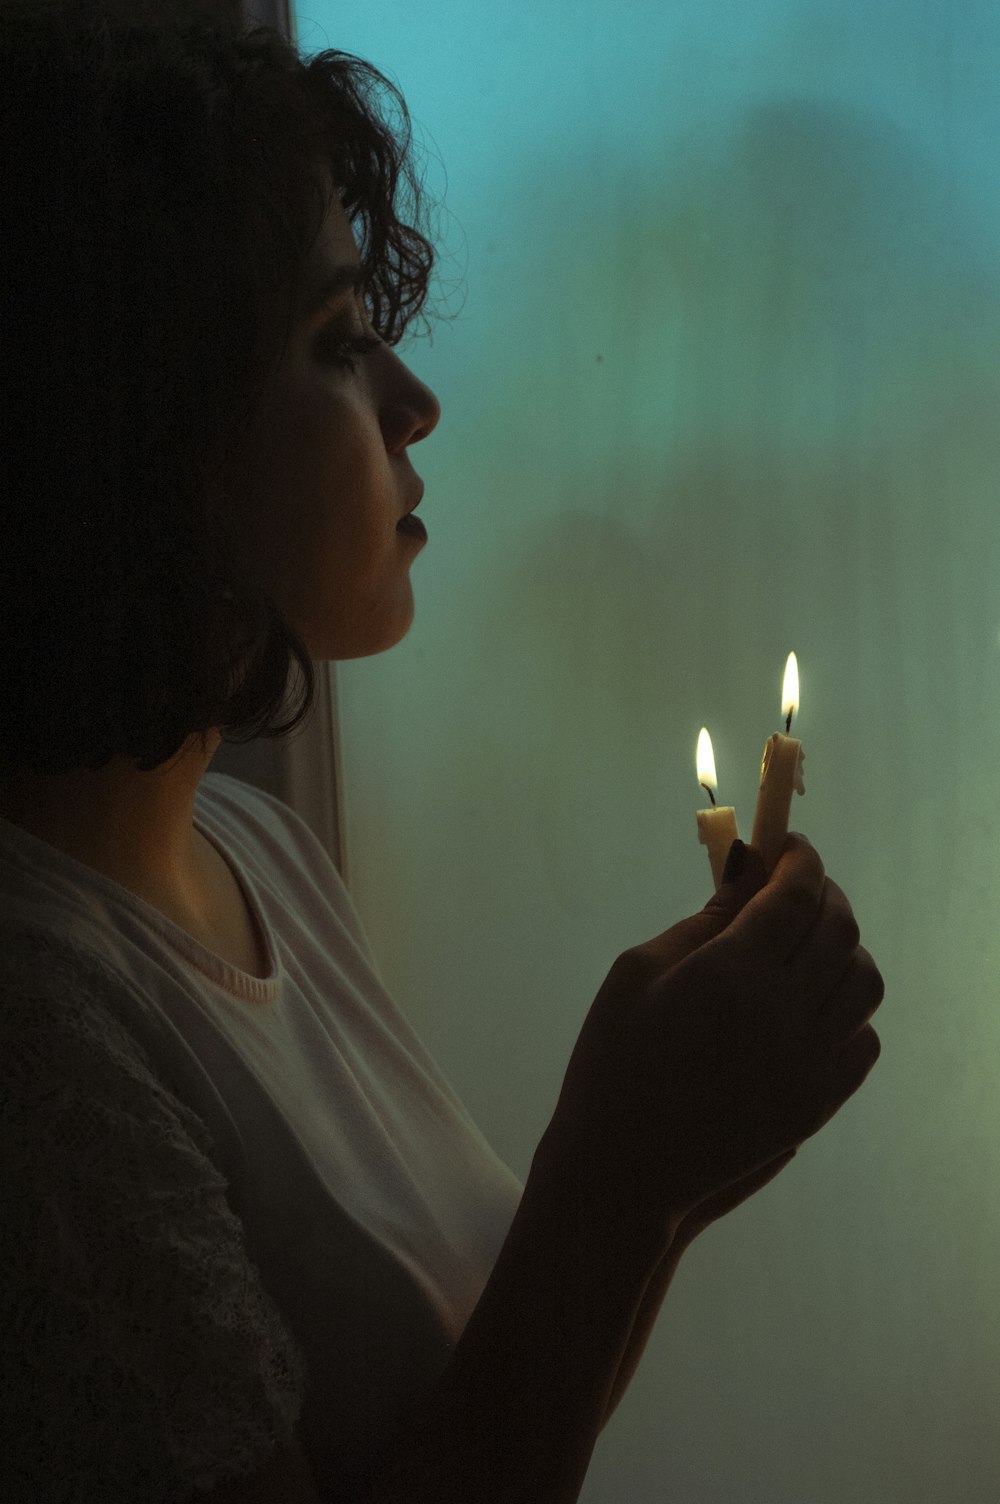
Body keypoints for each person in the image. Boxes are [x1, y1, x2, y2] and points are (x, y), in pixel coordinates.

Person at [0, 4, 884, 1501]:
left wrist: (670, 1177)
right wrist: (613, 1177)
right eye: (341, 344)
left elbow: (494, 1415)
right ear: (150, 434)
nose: (417, 403)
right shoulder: (38, 1036)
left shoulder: (253, 847)